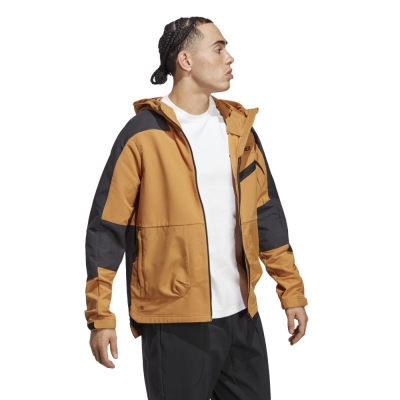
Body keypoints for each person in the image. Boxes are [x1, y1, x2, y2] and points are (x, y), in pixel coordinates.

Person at [84, 16, 308, 400]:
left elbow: (266, 215)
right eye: (218, 49)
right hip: (174, 321)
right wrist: (100, 317)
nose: (229, 57)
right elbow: (107, 230)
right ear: (185, 60)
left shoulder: (240, 131)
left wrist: (292, 292)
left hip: (241, 317)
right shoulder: (142, 136)